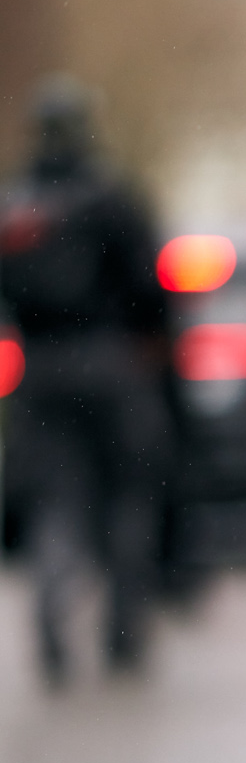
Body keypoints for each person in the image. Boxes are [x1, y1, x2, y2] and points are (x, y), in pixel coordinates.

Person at [0, 77, 173, 680]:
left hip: (40, 370)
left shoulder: (16, 206)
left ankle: (51, 606)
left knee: (56, 499)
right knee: (128, 493)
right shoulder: (109, 197)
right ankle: (123, 630)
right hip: (111, 363)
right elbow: (151, 286)